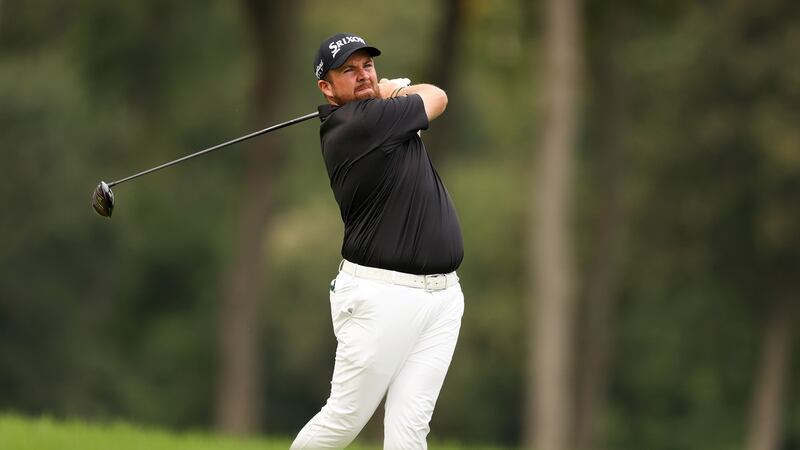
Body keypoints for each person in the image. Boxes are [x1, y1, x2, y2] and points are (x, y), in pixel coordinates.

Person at [290, 33, 465, 450]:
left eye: (367, 66)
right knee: (344, 419)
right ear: (327, 89)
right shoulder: (357, 124)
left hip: (442, 298)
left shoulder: (381, 116)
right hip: (381, 298)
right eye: (348, 71)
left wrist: (388, 95)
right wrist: (396, 88)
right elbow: (436, 97)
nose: (363, 75)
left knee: (409, 431)